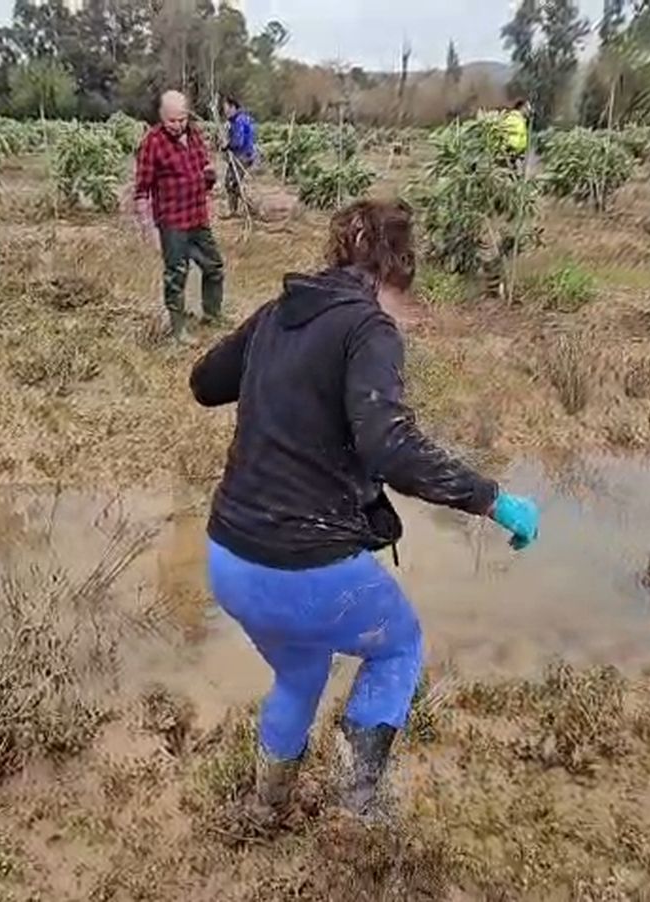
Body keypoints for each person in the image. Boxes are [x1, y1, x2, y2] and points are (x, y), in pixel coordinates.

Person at [189, 199, 540, 819]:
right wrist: (492, 499)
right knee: (397, 645)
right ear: (396, 274)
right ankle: (359, 805)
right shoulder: (369, 326)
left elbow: (205, 382)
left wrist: (279, 367)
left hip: (230, 560)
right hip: (305, 566)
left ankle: (266, 807)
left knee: (300, 673)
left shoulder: (277, 312)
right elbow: (389, 446)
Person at [133, 89, 225, 345]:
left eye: (182, 119)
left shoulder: (195, 135)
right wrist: (147, 227)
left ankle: (213, 314)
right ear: (161, 117)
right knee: (176, 274)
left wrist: (209, 176)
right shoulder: (152, 142)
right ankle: (178, 330)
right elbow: (141, 189)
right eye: (172, 120)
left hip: (197, 215)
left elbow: (203, 171)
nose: (178, 125)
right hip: (172, 221)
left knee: (214, 267)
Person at [221, 95, 257, 216]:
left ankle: (249, 207)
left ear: (233, 107)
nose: (225, 112)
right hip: (243, 155)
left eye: (226, 108)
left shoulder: (239, 121)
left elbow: (238, 141)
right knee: (232, 183)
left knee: (232, 182)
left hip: (243, 155)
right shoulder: (239, 120)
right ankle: (238, 209)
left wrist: (227, 145)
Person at [501, 97, 531, 168]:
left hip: (518, 155)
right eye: (527, 108)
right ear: (522, 108)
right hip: (509, 153)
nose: (528, 111)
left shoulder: (522, 120)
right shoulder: (512, 118)